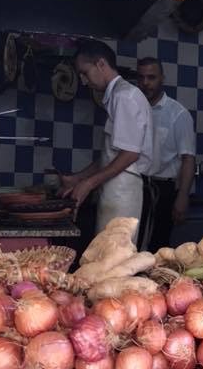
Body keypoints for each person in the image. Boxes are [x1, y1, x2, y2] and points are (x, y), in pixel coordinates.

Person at [60, 40, 155, 232]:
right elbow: (111, 155)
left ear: (101, 64)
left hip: (124, 191)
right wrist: (77, 178)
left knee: (117, 255)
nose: (84, 81)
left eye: (85, 73)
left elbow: (130, 154)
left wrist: (88, 183)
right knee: (106, 254)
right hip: (115, 189)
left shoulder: (125, 96)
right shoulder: (117, 96)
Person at [136, 57, 196, 251]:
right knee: (132, 244)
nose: (146, 83)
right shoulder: (134, 109)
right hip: (135, 186)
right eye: (141, 77)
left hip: (162, 191)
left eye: (151, 77)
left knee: (156, 247)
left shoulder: (178, 114)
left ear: (162, 78)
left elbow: (188, 158)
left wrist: (183, 197)